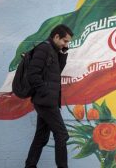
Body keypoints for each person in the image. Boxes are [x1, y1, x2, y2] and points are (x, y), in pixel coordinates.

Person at [25, 24, 73, 168]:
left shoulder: (53, 50)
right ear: (56, 36)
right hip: (46, 101)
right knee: (62, 135)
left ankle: (30, 165)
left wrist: (63, 52)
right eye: (65, 41)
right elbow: (32, 74)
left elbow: (56, 71)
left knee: (41, 137)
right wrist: (45, 92)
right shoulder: (43, 48)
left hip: (48, 100)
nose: (66, 44)